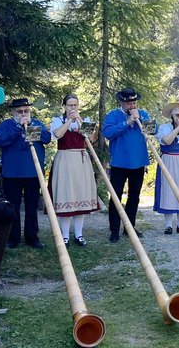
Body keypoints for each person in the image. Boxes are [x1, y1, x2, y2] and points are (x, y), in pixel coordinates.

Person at [0, 98, 51, 249]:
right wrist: (17, 128)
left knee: (32, 206)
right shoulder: (6, 125)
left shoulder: (36, 123)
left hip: (33, 172)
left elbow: (47, 139)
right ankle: (13, 238)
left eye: (26, 111)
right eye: (19, 112)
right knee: (13, 206)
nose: (23, 114)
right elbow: (1, 141)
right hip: (12, 174)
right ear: (13, 112)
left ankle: (32, 236)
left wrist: (32, 127)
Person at [49, 94, 100, 248]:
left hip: (81, 160)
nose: (73, 108)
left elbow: (91, 138)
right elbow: (57, 135)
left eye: (75, 105)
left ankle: (79, 234)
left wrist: (79, 120)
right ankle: (64, 235)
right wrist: (70, 120)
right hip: (65, 160)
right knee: (66, 195)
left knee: (80, 195)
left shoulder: (85, 121)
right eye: (70, 105)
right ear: (64, 106)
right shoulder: (58, 121)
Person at [102, 88, 150, 243]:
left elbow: (152, 130)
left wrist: (139, 120)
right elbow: (107, 133)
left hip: (138, 162)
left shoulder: (143, 114)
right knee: (116, 197)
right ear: (122, 102)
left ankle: (129, 227)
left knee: (134, 197)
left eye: (134, 103)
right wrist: (127, 122)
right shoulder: (113, 115)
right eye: (129, 103)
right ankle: (114, 230)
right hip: (119, 163)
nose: (132, 106)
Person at [153, 102, 179, 235]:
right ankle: (168, 225)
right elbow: (167, 141)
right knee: (169, 190)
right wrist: (178, 128)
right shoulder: (165, 128)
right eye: (177, 115)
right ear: (172, 115)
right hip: (169, 160)